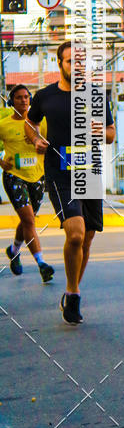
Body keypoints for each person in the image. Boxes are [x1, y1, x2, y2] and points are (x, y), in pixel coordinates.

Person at [25, 41, 115, 324]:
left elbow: (111, 134)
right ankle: (73, 294)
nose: (76, 67)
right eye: (69, 62)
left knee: (87, 238)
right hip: (60, 172)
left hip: (90, 170)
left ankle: (71, 291)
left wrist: (98, 128)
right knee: (75, 233)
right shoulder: (45, 96)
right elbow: (30, 123)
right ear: (60, 64)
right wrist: (36, 139)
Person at [0, 85, 54, 281]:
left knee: (27, 220)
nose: (23, 101)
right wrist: (1, 162)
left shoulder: (42, 122)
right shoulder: (4, 124)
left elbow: (52, 142)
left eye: (26, 97)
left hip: (37, 177)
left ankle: (14, 249)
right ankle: (41, 263)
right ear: (11, 101)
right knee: (30, 220)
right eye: (19, 98)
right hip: (14, 176)